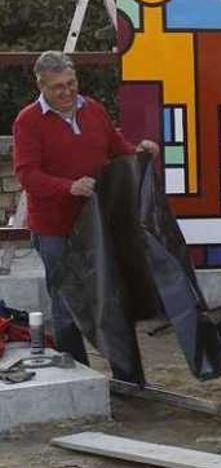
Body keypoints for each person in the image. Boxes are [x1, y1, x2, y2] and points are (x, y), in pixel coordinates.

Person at [13, 50, 159, 384]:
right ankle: (77, 376)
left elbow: (115, 146)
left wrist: (139, 152)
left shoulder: (93, 109)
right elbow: (27, 175)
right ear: (41, 86)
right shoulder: (27, 121)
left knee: (110, 297)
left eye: (70, 83)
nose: (66, 92)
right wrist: (68, 187)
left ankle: (125, 378)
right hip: (55, 228)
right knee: (67, 308)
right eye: (57, 87)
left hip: (96, 226)